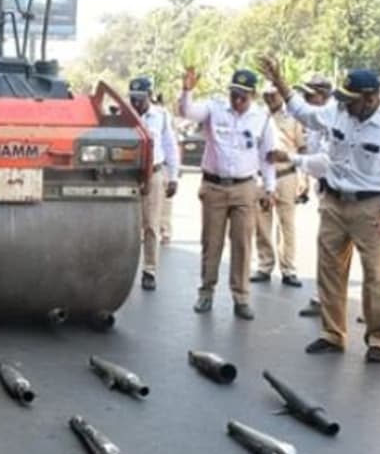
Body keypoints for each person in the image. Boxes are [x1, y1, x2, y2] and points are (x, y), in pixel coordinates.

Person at [258, 60, 380, 363]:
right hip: (334, 203)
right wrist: (280, 80)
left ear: (370, 98)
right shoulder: (337, 111)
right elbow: (303, 112)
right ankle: (332, 333)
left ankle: (378, 338)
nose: (345, 105)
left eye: (351, 101)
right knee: (329, 270)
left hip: (370, 206)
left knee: (375, 275)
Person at [180, 67, 276, 320]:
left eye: (243, 96)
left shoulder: (262, 118)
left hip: (245, 187)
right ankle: (206, 292)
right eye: (234, 94)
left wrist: (270, 188)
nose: (238, 100)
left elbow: (268, 157)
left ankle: (241, 297)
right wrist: (187, 90)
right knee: (211, 242)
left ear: (253, 95)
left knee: (243, 244)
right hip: (214, 186)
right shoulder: (215, 108)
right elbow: (187, 112)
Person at [253, 84, 305, 288]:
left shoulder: (293, 117)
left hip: (286, 174)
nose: (270, 99)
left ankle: (288, 269)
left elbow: (302, 149)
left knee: (287, 224)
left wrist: (303, 179)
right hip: (263, 175)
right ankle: (264, 265)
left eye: (273, 95)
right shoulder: (258, 117)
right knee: (262, 222)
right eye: (266, 95)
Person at [129, 77, 179, 291]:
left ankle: (149, 270)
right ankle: (124, 272)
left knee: (151, 225)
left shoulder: (161, 116)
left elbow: (170, 146)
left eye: (140, 99)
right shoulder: (125, 115)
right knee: (128, 227)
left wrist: (174, 176)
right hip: (129, 174)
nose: (136, 104)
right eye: (133, 99)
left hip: (154, 173)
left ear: (149, 96)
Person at [294, 76, 335, 318]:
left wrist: (293, 160)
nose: (307, 100)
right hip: (325, 188)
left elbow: (324, 161)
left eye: (311, 96)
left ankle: (329, 301)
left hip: (345, 193)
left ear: (323, 95)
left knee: (336, 250)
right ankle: (323, 298)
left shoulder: (332, 118)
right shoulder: (316, 122)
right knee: (327, 248)